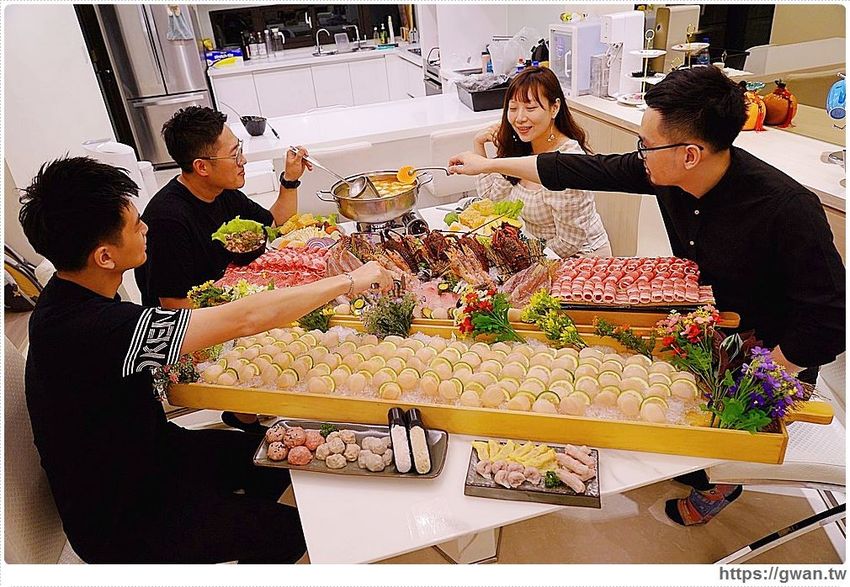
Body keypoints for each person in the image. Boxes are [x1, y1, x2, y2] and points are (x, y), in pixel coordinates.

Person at [449, 65, 845, 526]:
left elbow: (830, 318)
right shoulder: (667, 170)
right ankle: (694, 465)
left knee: (716, 441)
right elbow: (579, 167)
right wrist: (489, 164)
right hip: (705, 327)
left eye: (646, 144)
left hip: (771, 352)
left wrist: (763, 377)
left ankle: (722, 481)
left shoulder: (787, 207)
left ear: (690, 154)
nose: (639, 154)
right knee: (669, 421)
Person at [19, 156, 393, 563]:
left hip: (153, 454)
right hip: (123, 516)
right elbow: (245, 319)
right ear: (105, 257)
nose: (146, 229)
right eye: (136, 225)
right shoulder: (93, 328)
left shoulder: (65, 298)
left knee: (280, 454)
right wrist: (350, 280)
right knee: (287, 532)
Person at [134, 106, 310, 432]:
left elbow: (274, 223)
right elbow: (174, 307)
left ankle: (245, 412)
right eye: (234, 154)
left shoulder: (222, 193)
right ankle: (247, 414)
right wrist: (244, 315)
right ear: (202, 166)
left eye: (239, 149)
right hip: (180, 333)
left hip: (217, 307)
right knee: (280, 329)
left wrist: (290, 178)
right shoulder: (168, 220)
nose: (243, 160)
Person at [471, 66, 611, 258]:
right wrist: (478, 144)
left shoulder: (567, 160)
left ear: (554, 108)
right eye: (513, 108)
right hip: (540, 252)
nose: (520, 118)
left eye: (530, 108)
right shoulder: (521, 145)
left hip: (581, 256)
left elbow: (568, 243)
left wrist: (523, 258)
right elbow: (491, 198)